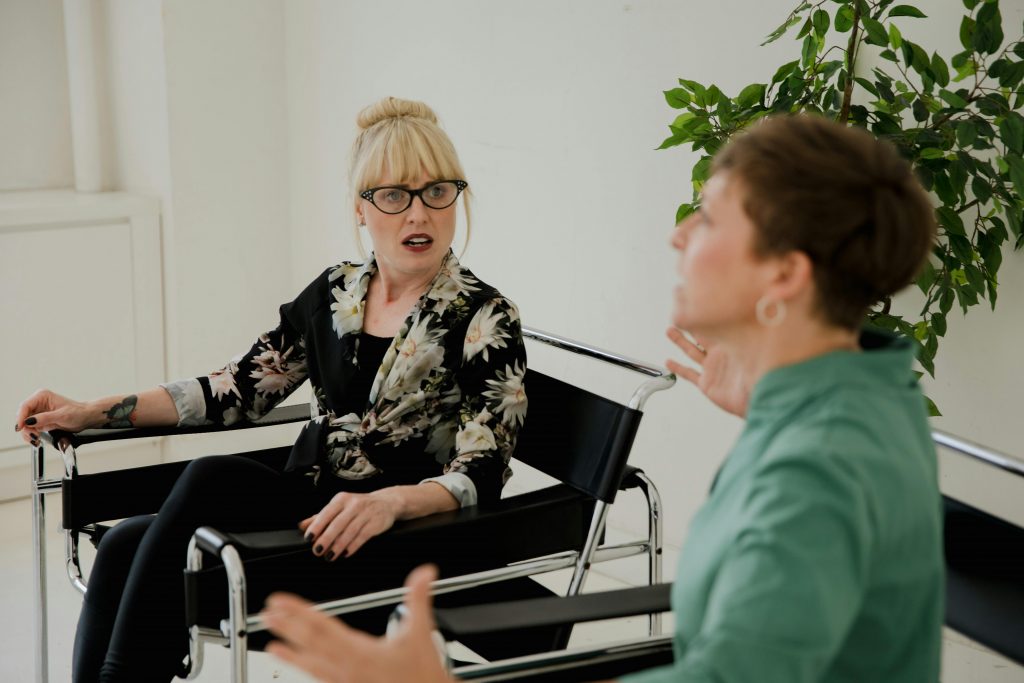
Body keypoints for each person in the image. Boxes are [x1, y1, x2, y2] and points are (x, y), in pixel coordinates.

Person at [260, 113, 943, 682]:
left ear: (786, 275)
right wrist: (770, 399)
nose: (678, 235)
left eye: (708, 219)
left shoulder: (815, 468)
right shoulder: (866, 394)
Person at [14, 96, 528, 683]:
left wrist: (390, 501)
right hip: (315, 515)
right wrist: (92, 412)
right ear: (362, 209)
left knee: (210, 480)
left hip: (399, 539)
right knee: (124, 544)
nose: (419, 215)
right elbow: (235, 390)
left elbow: (481, 469)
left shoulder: (485, 318)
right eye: (393, 195)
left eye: (438, 192)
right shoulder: (336, 295)